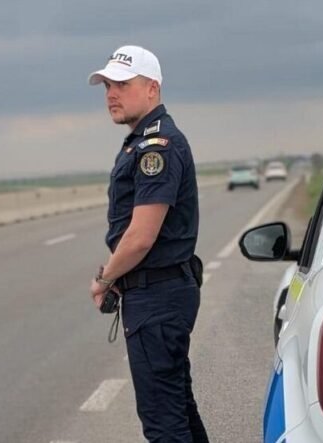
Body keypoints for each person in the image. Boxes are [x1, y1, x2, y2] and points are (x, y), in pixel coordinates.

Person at [88, 45, 209, 443]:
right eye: (107, 84)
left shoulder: (157, 146)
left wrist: (105, 278)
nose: (111, 93)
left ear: (152, 88)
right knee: (176, 408)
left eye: (121, 84)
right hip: (158, 294)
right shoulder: (140, 142)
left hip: (158, 298)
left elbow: (140, 237)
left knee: (163, 422)